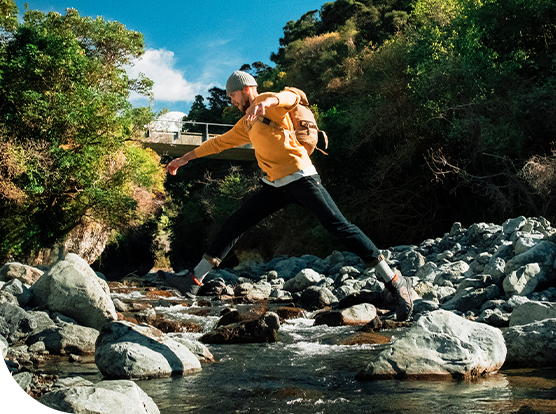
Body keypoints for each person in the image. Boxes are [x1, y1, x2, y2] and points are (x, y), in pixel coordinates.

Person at [163, 70, 413, 321]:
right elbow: (218, 143)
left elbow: (291, 97)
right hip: (274, 185)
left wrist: (267, 103)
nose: (232, 101)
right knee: (236, 223)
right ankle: (194, 280)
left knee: (339, 226)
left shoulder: (269, 102)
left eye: (233, 96)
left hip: (302, 177)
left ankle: (394, 281)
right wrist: (184, 159)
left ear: (246, 88)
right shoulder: (247, 123)